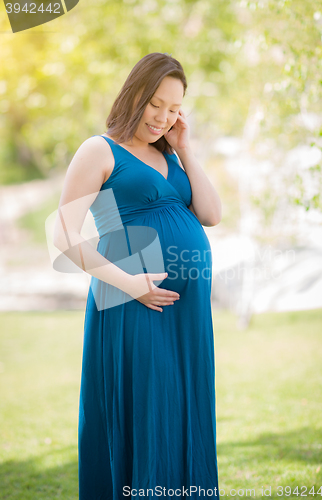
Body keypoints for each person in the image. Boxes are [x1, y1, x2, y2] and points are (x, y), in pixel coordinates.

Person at [53, 52, 222, 500]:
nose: (163, 117)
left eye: (174, 109)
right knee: (147, 411)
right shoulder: (100, 149)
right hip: (132, 304)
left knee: (184, 409)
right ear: (136, 94)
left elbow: (211, 213)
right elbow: (65, 234)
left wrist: (185, 147)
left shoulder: (171, 152)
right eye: (156, 104)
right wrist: (132, 286)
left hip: (186, 318)